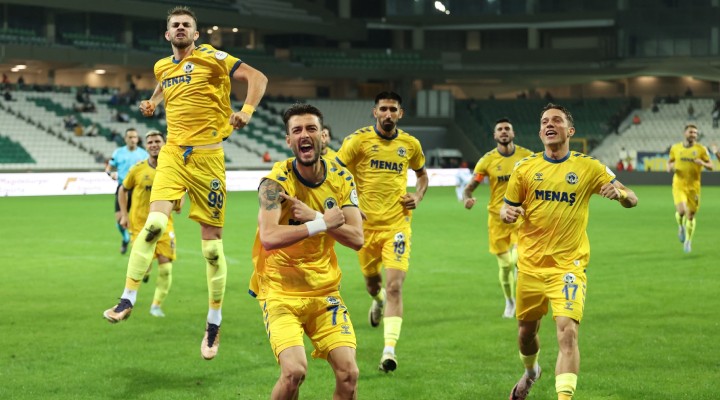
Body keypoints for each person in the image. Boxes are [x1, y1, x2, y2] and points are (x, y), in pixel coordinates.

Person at [102, 5, 268, 361]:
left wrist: (246, 111)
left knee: (212, 250)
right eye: (175, 25)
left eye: (186, 25)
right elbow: (166, 82)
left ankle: (214, 321)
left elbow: (258, 78)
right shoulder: (162, 66)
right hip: (174, 154)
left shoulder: (213, 57)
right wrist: (152, 101)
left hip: (209, 159)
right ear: (167, 34)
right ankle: (127, 298)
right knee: (153, 225)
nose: (180, 28)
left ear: (196, 33)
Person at [500, 103, 638, 400]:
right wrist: (507, 214)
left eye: (557, 120)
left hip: (568, 267)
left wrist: (620, 194)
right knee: (526, 334)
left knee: (568, 333)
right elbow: (507, 208)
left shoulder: (589, 166)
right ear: (540, 133)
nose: (549, 124)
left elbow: (633, 197)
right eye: (544, 121)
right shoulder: (524, 168)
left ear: (570, 131)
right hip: (530, 267)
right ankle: (531, 372)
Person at [250, 103, 363, 399]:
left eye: (311, 128)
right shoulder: (273, 184)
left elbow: (357, 238)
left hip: (325, 292)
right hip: (280, 292)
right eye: (297, 130)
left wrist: (315, 216)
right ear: (288, 140)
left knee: (349, 374)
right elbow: (269, 237)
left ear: (323, 136)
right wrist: (322, 223)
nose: (304, 135)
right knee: (294, 372)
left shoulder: (342, 178)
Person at [335, 91, 428, 372]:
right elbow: (335, 173)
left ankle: (389, 351)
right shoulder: (358, 141)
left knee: (395, 286)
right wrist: (349, 205)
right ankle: (377, 300)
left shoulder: (410, 144)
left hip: (397, 225)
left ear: (401, 113)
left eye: (393, 109)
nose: (388, 114)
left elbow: (422, 175)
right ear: (375, 112)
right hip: (364, 228)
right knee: (373, 285)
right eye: (384, 109)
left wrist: (418, 196)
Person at [462, 118, 533, 318]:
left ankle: (520, 294)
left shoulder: (527, 157)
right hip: (496, 219)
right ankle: (509, 301)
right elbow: (469, 187)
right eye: (500, 129)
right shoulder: (487, 161)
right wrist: (467, 199)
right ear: (495, 135)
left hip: (519, 215)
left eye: (507, 129)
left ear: (513, 133)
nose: (503, 132)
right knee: (505, 266)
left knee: (518, 259)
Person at [118, 130, 181, 318]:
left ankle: (156, 305)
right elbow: (123, 189)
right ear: (146, 146)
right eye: (150, 142)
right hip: (140, 225)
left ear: (164, 144)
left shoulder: (172, 169)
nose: (154, 145)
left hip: (165, 225)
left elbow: (181, 192)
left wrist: (179, 203)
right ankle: (144, 273)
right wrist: (124, 215)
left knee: (166, 268)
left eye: (157, 141)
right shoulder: (137, 169)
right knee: (144, 266)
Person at [667, 124, 713, 253]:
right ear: (685, 133)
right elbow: (670, 161)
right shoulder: (675, 148)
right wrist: (669, 167)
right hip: (679, 184)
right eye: (691, 132)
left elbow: (711, 166)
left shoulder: (701, 149)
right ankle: (681, 226)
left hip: (694, 187)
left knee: (691, 215)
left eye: (695, 133)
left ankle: (688, 241)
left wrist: (702, 163)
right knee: (681, 211)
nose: (693, 135)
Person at [105, 128, 149, 254]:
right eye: (130, 137)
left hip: (137, 190)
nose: (132, 139)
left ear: (137, 139)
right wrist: (111, 174)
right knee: (119, 220)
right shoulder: (118, 152)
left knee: (138, 218)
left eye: (134, 137)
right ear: (125, 139)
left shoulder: (144, 154)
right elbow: (108, 168)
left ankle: (139, 244)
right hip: (122, 189)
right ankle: (126, 238)